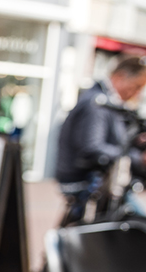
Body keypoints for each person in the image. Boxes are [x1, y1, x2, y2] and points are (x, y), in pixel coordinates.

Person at [56, 55, 146, 223]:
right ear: (120, 77)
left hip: (94, 183)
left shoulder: (107, 103)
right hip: (86, 182)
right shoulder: (97, 103)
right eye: (136, 86)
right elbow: (92, 146)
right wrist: (137, 158)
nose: (137, 93)